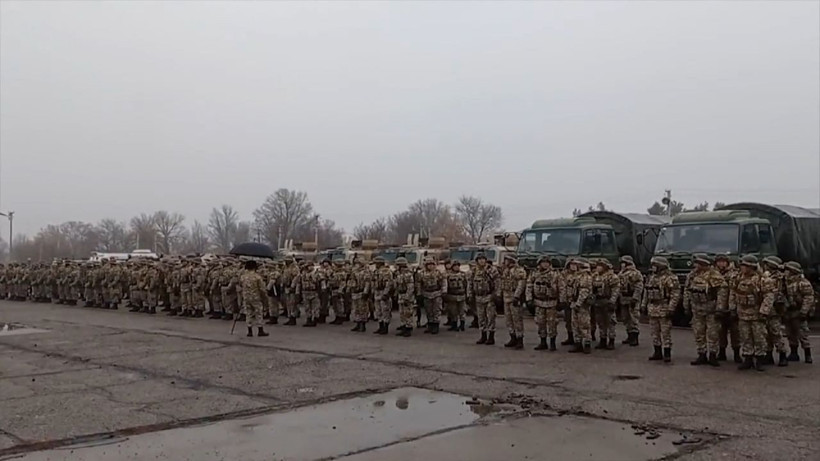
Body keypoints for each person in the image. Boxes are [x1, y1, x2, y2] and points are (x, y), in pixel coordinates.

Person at [683, 254, 727, 367]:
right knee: (698, 332)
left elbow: (722, 292)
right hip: (697, 309)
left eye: (698, 263)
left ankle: (713, 355)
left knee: (712, 333)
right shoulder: (692, 275)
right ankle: (701, 354)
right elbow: (687, 290)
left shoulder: (714, 275)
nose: (696, 265)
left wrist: (720, 308)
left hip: (710, 309)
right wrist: (686, 305)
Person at [730, 255, 769, 371]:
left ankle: (760, 359)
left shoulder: (762, 280)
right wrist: (732, 308)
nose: (741, 267)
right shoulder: (738, 278)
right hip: (742, 313)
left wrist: (764, 311)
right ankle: (747, 358)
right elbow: (733, 293)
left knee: (759, 337)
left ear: (751, 267)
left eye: (744, 265)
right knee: (745, 336)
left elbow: (768, 296)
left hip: (757, 313)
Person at [642, 256, 680, 363]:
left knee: (665, 332)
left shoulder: (670, 278)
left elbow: (675, 294)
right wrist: (643, 305)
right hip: (652, 307)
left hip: (664, 307)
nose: (653, 267)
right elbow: (646, 292)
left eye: (655, 265)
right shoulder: (651, 277)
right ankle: (657, 351)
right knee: (654, 332)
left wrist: (671, 308)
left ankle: (667, 352)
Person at [526, 256, 564, 351]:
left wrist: (562, 301)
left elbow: (562, 288)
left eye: (547, 262)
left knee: (552, 323)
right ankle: (543, 342)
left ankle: (552, 342)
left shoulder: (555, 274)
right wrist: (529, 299)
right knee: (540, 322)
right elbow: (529, 286)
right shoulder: (535, 274)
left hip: (551, 302)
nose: (545, 264)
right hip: (539, 302)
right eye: (543, 262)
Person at [783, 261, 814, 364]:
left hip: (798, 312)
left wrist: (804, 312)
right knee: (790, 333)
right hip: (788, 312)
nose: (785, 272)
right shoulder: (785, 282)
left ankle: (807, 355)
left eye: (787, 270)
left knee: (802, 334)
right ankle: (794, 353)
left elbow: (808, 298)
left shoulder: (803, 283)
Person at [760, 256, 789, 367]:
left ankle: (782, 355)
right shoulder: (765, 276)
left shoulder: (780, 278)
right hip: (766, 308)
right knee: (766, 334)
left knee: (776, 333)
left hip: (775, 309)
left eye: (767, 264)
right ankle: (769, 355)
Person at [714, 254, 741, 363]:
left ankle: (736, 353)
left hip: (732, 307)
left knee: (735, 332)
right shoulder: (713, 275)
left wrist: (734, 308)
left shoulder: (735, 274)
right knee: (720, 331)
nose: (721, 264)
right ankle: (721, 352)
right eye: (719, 262)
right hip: (718, 307)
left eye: (724, 262)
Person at [499, 255, 527, 349]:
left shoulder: (518, 271)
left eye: (507, 260)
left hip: (514, 297)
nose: (505, 262)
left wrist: (517, 296)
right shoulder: (505, 270)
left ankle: (520, 339)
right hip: (506, 297)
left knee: (517, 319)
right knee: (508, 319)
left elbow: (521, 285)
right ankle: (512, 337)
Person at [592, 259, 620, 350]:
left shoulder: (612, 277)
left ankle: (611, 340)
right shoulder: (595, 276)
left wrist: (612, 302)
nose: (598, 268)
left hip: (607, 301)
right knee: (600, 322)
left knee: (611, 322)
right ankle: (602, 339)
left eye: (600, 266)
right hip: (598, 302)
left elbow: (615, 291)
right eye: (597, 266)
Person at [469, 253, 497, 345]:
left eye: (483, 259)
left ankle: (491, 337)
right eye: (479, 259)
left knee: (490, 317)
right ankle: (483, 335)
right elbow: (470, 284)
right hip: (478, 297)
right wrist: (470, 295)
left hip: (489, 296)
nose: (481, 261)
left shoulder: (491, 270)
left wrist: (496, 294)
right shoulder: (474, 271)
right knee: (481, 317)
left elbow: (497, 283)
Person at [618, 255, 643, 346]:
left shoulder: (635, 273)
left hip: (632, 298)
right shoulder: (621, 273)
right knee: (626, 318)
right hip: (624, 299)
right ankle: (629, 335)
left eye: (623, 263)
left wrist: (635, 298)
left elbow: (638, 287)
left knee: (633, 318)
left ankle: (635, 337)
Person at [240, 259, 269, 338]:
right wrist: (265, 297)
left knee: (248, 313)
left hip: (246, 297)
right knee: (258, 313)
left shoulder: (243, 277)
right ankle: (260, 330)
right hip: (256, 297)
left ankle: (249, 331)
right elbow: (262, 289)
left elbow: (241, 285)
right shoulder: (257, 277)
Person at [418, 258, 446, 335]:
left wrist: (444, 291)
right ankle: (430, 325)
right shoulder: (422, 273)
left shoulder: (438, 273)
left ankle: (436, 325)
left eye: (432, 264)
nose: (430, 266)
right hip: (426, 293)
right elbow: (419, 284)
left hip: (436, 293)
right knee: (428, 310)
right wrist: (419, 293)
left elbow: (443, 282)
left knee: (436, 310)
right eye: (429, 265)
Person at [394, 257, 416, 337]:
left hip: (407, 296)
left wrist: (407, 297)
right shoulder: (398, 274)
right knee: (402, 313)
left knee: (408, 313)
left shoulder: (408, 274)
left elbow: (410, 287)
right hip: (401, 295)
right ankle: (403, 326)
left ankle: (408, 328)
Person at [371, 256, 394, 335]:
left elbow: (389, 284)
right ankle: (380, 326)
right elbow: (373, 282)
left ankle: (385, 327)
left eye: (376, 263)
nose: (375, 265)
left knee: (385, 310)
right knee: (378, 310)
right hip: (377, 292)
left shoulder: (386, 271)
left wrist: (386, 293)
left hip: (383, 291)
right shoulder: (376, 271)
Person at [445, 261, 468, 332]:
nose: (456, 267)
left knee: (462, 311)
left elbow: (466, 284)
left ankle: (462, 324)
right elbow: (446, 285)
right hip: (452, 295)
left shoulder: (463, 274)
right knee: (453, 311)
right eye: (455, 266)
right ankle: (454, 324)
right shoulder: (448, 275)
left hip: (461, 295)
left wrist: (467, 294)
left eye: (457, 266)